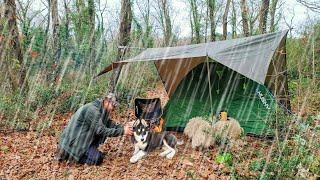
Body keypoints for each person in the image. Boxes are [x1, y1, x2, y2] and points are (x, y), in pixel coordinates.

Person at [56, 93, 133, 165]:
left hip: (80, 140)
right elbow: (101, 131)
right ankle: (73, 156)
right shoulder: (92, 110)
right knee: (98, 159)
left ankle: (76, 153)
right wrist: (122, 131)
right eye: (113, 106)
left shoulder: (101, 110)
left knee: (98, 155)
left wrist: (124, 127)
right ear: (106, 101)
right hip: (73, 143)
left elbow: (109, 123)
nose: (114, 108)